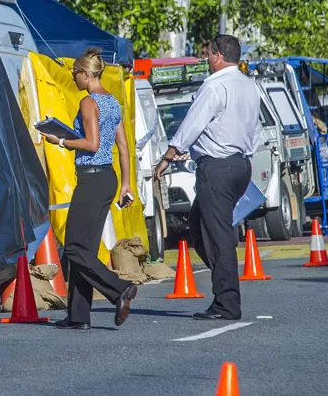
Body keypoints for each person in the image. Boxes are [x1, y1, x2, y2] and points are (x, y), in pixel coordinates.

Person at [154, 35, 259, 321]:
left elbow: (192, 123)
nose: (206, 60)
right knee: (200, 228)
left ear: (216, 55)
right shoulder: (249, 86)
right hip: (239, 164)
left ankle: (227, 303)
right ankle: (224, 288)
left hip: (218, 168)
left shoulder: (214, 86)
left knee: (217, 235)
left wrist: (169, 155)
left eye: (207, 54)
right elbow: (254, 128)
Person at [40, 48, 137, 330]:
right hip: (107, 178)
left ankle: (120, 289)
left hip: (92, 177)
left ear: (86, 73)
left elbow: (92, 144)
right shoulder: (113, 102)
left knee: (72, 249)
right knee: (85, 248)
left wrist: (60, 141)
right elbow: (123, 148)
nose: (73, 78)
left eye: (75, 74)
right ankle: (79, 315)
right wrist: (127, 184)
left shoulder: (88, 102)